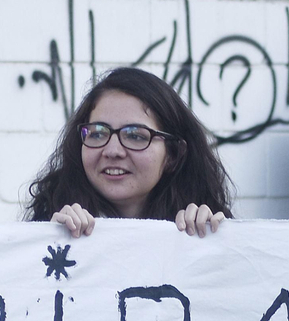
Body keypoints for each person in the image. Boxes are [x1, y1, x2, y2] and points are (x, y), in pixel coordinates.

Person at [26, 66, 232, 239]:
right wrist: (47, 243)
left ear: (174, 154)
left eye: (135, 136)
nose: (112, 150)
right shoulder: (52, 225)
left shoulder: (199, 230)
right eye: (97, 133)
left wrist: (214, 240)